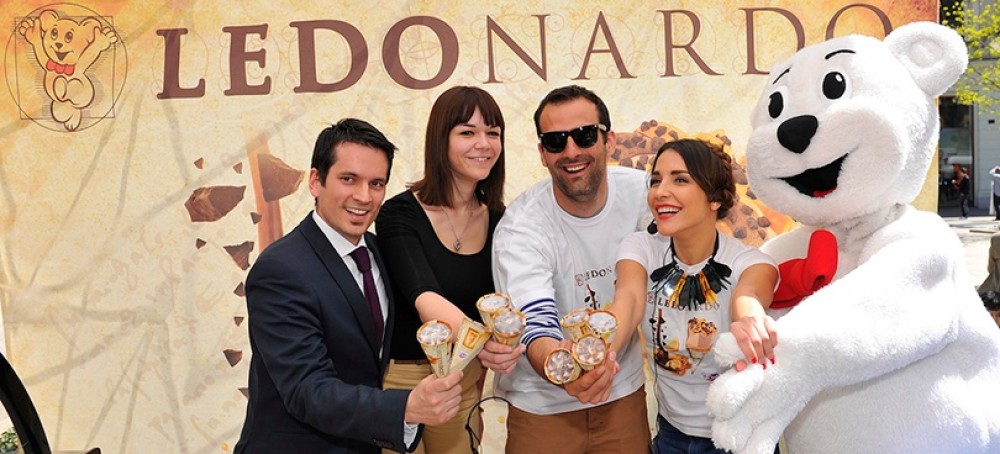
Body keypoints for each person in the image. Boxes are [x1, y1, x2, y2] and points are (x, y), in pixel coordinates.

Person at [235, 118, 464, 454]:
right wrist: (406, 408)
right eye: (348, 179)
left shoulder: (379, 253)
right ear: (316, 181)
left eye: (376, 183)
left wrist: (488, 344)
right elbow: (307, 390)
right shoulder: (280, 270)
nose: (364, 196)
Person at [491, 85, 651, 453]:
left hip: (621, 397)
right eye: (555, 141)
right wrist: (563, 368)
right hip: (542, 408)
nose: (571, 151)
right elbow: (534, 320)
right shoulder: (521, 226)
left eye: (585, 135)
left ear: (609, 140)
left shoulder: (645, 196)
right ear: (542, 154)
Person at [375, 86, 524, 454]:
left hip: (462, 377)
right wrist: (484, 344)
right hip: (400, 382)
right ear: (440, 140)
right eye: (467, 132)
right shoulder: (398, 213)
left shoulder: (500, 219)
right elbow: (424, 296)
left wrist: (499, 349)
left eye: (493, 133)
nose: (483, 144)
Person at [611, 138, 778, 454]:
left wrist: (750, 321)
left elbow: (749, 294)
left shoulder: (751, 262)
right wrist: (603, 352)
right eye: (656, 180)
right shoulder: (640, 248)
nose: (660, 192)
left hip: (738, 436)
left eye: (680, 180)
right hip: (671, 435)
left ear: (714, 197)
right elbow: (629, 297)